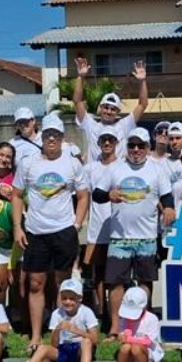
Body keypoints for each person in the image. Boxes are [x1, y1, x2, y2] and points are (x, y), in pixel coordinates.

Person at [12, 113, 89, 354]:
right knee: (35, 283)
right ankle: (36, 335)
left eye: (56, 135)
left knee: (61, 283)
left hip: (64, 231)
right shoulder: (28, 163)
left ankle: (61, 331)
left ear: (62, 137)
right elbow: (16, 194)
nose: (52, 139)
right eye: (48, 135)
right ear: (42, 136)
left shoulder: (72, 163)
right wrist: (17, 226)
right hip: (36, 232)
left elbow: (83, 195)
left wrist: (76, 225)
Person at [91, 127, 175, 336]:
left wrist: (169, 208)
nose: (136, 149)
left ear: (148, 147)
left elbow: (166, 196)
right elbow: (97, 194)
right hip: (119, 238)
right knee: (115, 283)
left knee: (145, 282)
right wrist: (109, 195)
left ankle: (142, 326)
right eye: (132, 145)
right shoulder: (115, 168)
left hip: (147, 236)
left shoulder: (157, 169)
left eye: (140, 145)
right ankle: (115, 327)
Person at [2, 278, 99, 362]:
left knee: (86, 342)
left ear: (79, 298)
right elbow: (54, 344)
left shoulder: (86, 312)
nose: (67, 302)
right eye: (64, 298)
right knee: (42, 348)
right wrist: (58, 330)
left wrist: (78, 331)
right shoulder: (57, 313)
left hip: (81, 349)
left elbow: (95, 339)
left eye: (72, 298)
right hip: (63, 348)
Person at [73, 55, 148, 162]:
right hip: (95, 171)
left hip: (118, 171)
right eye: (106, 107)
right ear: (100, 108)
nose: (109, 111)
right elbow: (77, 101)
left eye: (113, 109)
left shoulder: (124, 126)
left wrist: (142, 81)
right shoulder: (91, 125)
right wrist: (80, 77)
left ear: (118, 112)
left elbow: (142, 104)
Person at [83, 129, 120, 327]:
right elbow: (84, 195)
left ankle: (116, 312)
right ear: (98, 143)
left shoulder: (123, 166)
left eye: (110, 140)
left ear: (116, 143)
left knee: (116, 274)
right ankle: (101, 312)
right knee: (98, 273)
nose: (107, 143)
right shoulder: (90, 168)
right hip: (96, 228)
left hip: (119, 227)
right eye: (103, 140)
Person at [109, 286, 163, 362]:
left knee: (136, 347)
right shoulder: (125, 319)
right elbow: (124, 334)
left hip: (147, 351)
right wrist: (121, 336)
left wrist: (129, 339)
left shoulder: (152, 319)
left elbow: (148, 341)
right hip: (130, 350)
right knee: (124, 348)